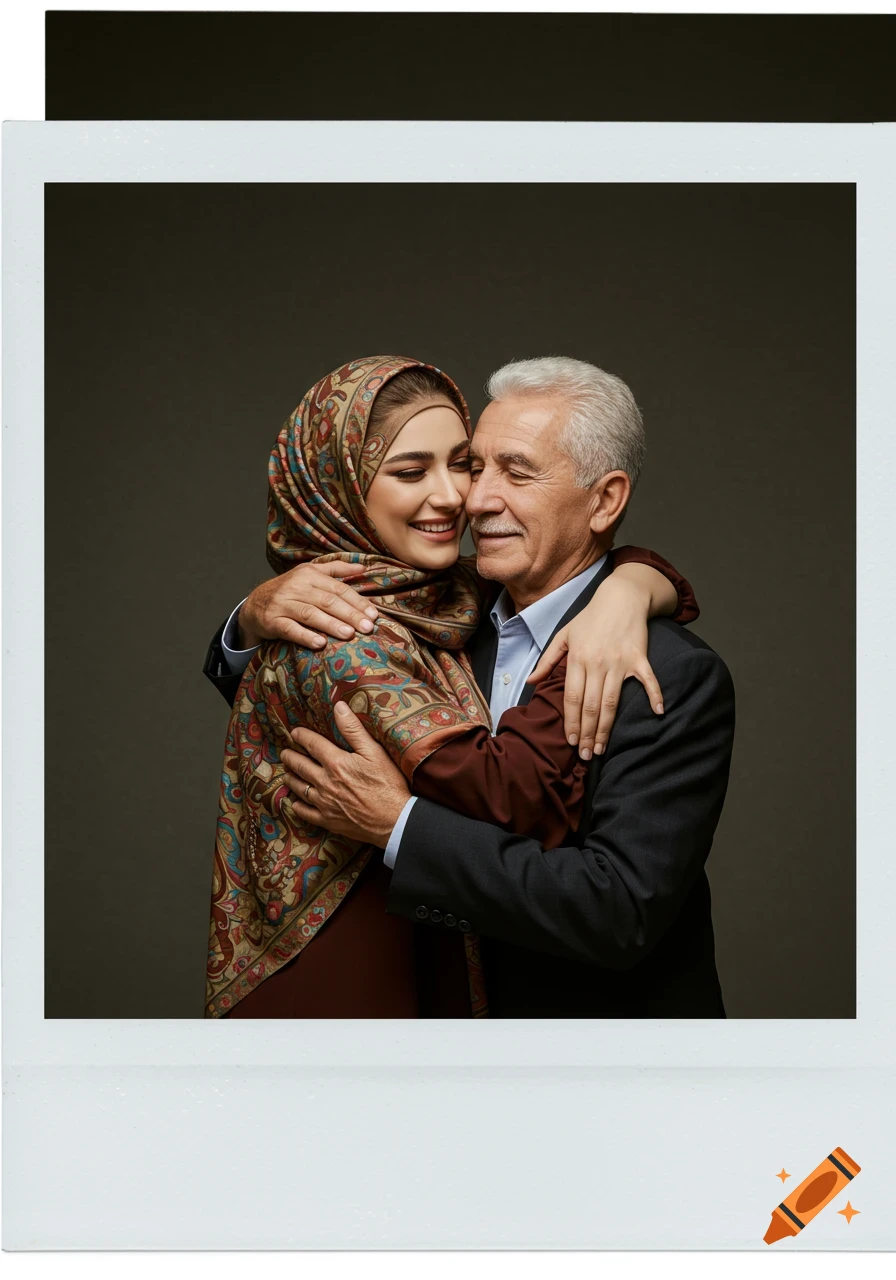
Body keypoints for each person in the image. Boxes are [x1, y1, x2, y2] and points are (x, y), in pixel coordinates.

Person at [204, 355, 699, 1018]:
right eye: (418, 470)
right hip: (353, 997)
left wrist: (630, 584)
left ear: (605, 499)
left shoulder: (455, 605)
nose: (467, 497)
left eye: (489, 467)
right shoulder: (346, 625)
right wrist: (249, 618)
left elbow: (616, 911)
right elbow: (507, 793)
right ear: (341, 488)